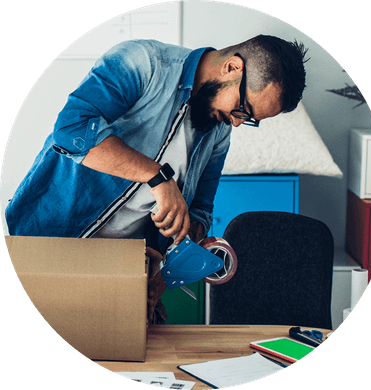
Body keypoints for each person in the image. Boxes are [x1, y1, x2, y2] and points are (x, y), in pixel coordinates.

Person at [5, 35, 308, 321]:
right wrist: (158, 178)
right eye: (244, 110)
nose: (237, 123)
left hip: (121, 272)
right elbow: (71, 131)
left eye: (249, 120)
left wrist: (168, 268)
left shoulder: (220, 132)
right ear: (232, 68)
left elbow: (199, 211)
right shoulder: (142, 63)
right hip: (46, 243)